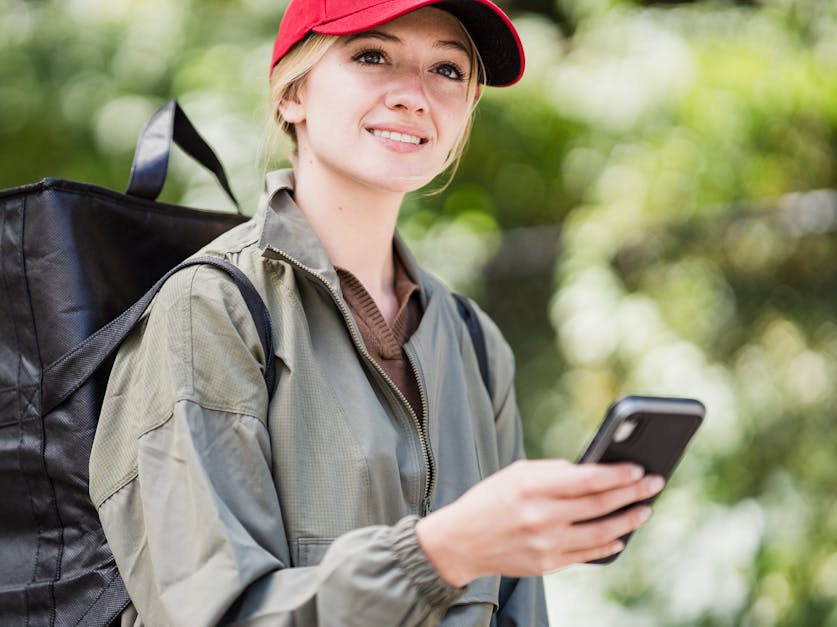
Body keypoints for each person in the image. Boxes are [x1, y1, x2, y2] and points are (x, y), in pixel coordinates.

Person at [90, 1, 665, 624]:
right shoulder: (212, 308)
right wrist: (441, 553)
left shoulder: (474, 340)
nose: (415, 95)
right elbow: (213, 615)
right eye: (372, 55)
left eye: (448, 69)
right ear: (292, 95)